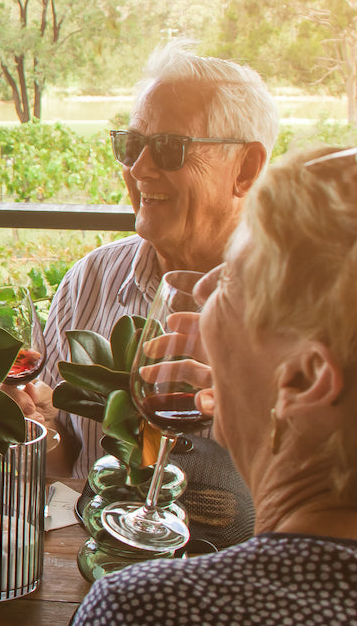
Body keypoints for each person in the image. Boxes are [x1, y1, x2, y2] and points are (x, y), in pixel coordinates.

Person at [73, 130, 357, 625]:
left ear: (306, 380)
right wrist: (248, 367)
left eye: (233, 277)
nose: (203, 287)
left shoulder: (155, 611)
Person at [42, 41, 278, 479]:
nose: (139, 168)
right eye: (133, 145)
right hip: (98, 544)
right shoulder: (87, 282)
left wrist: (247, 408)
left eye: (169, 147)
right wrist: (38, 427)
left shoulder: (308, 309)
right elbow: (64, 463)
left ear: (245, 169)